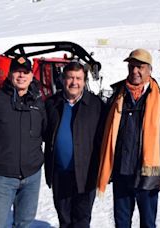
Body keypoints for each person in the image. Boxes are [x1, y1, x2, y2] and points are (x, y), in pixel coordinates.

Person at [97, 49, 160, 228]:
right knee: (121, 223)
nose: (135, 71)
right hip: (121, 173)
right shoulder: (116, 96)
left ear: (149, 70)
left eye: (140, 67)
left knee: (148, 223)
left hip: (148, 176)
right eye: (132, 66)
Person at [44, 61, 106, 228]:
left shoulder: (96, 105)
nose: (74, 82)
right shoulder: (52, 103)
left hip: (86, 174)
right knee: (64, 220)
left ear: (84, 81)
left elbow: (104, 139)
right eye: (70, 78)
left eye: (78, 78)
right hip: (60, 173)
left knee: (81, 220)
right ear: (63, 79)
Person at [0, 56, 46, 228]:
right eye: (17, 72)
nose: (21, 76)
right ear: (10, 74)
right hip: (2, 177)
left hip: (31, 176)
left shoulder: (38, 102)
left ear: (31, 76)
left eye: (25, 72)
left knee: (25, 223)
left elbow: (46, 131)